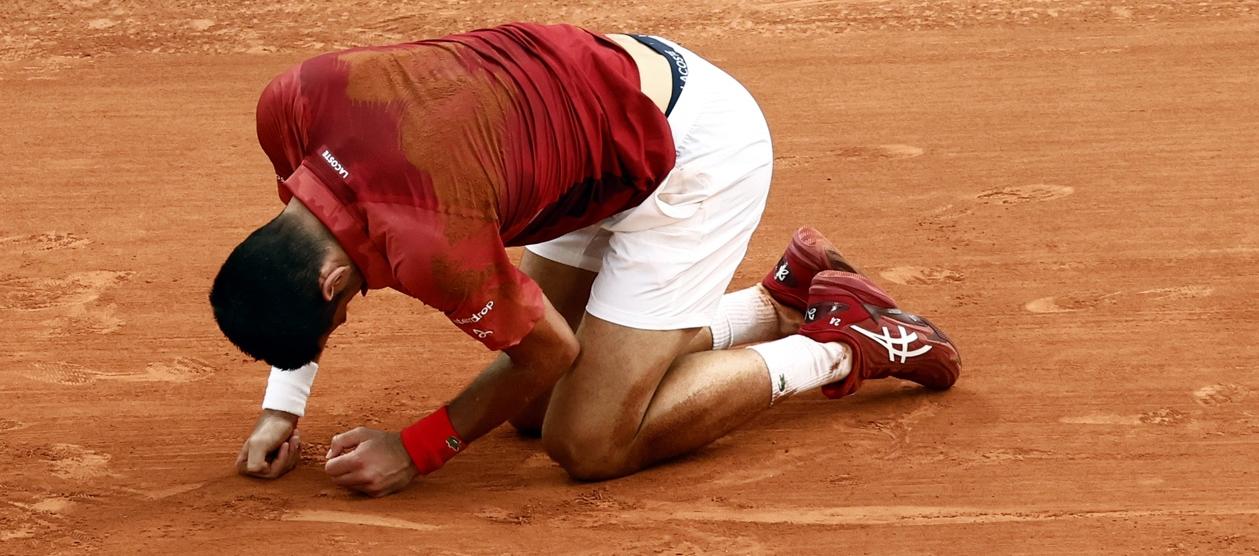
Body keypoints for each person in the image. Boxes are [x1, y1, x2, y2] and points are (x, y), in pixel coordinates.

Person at [209, 22, 961, 497]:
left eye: (340, 312)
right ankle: (779, 300)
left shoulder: (429, 244)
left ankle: (839, 342)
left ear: (334, 281)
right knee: (530, 415)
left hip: (689, 155)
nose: (350, 309)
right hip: (584, 117)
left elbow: (547, 353)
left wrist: (418, 448)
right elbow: (296, 249)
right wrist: (284, 405)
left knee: (587, 439)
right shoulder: (291, 104)